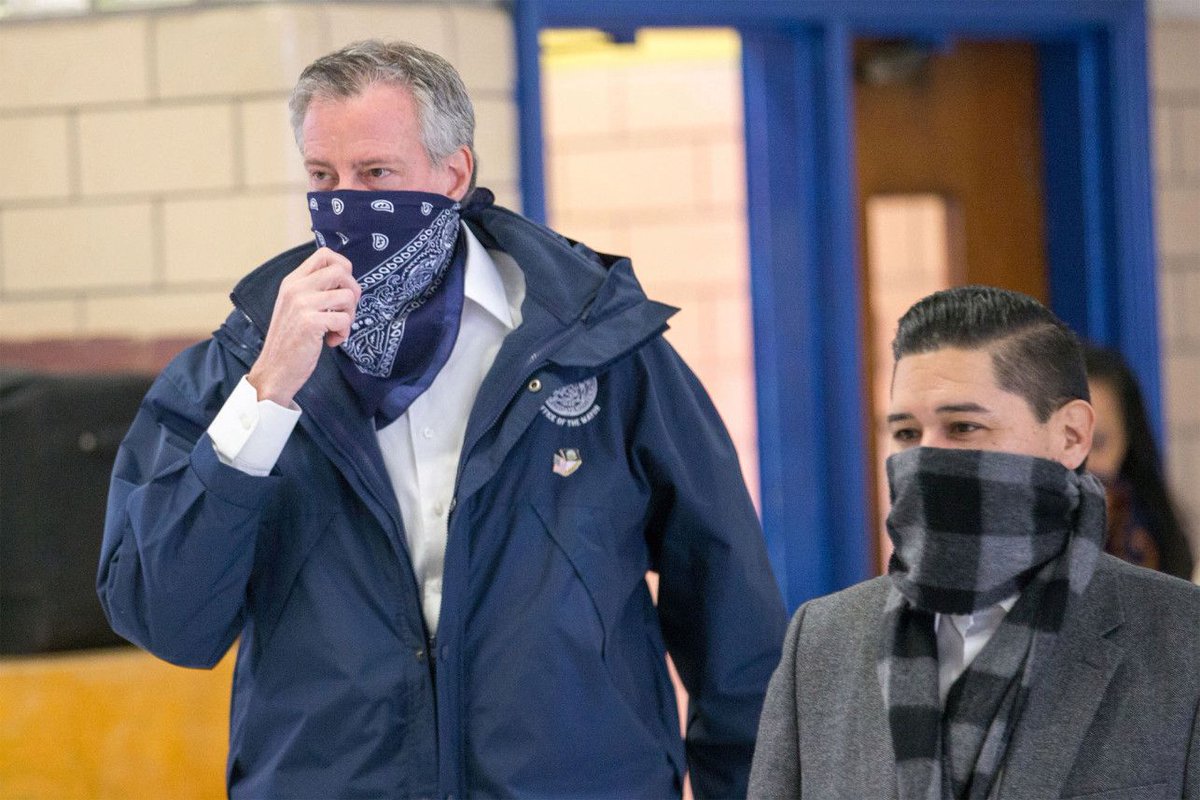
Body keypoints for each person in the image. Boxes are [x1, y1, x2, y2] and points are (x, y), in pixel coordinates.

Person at [98, 40, 786, 799]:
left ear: (454, 174)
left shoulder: (597, 347)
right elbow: (167, 620)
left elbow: (731, 610)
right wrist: (265, 395)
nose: (346, 204)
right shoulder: (237, 367)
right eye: (323, 178)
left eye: (376, 176)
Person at [749, 285, 1200, 799]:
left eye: (963, 427)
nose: (926, 459)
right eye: (905, 433)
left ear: (1072, 437)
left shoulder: (1182, 640)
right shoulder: (821, 644)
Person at [1084, 344, 1195, 580]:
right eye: (1068, 441)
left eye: (1098, 443)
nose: (1081, 462)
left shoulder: (1154, 536)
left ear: (1128, 442)